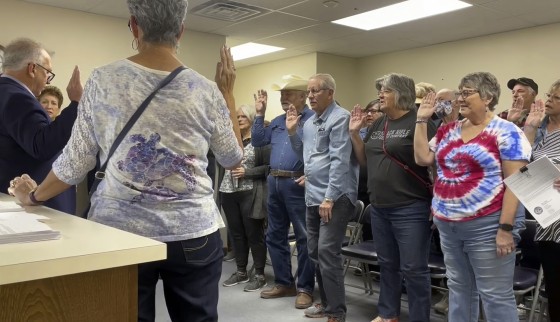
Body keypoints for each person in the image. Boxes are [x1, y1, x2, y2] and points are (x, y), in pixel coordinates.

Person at [8, 0, 244, 321]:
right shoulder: (205, 89)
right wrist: (228, 93)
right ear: (181, 31)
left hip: (121, 234)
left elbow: (75, 164)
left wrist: (33, 196)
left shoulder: (103, 80)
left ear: (134, 26)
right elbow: (232, 158)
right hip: (193, 233)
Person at [413, 72, 532, 322]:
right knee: (459, 288)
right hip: (448, 225)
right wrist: (421, 121)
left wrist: (505, 229)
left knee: (495, 294)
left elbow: (517, 183)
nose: (460, 98)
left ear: (487, 97)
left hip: (487, 226)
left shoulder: (506, 131)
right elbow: (423, 158)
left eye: (467, 93)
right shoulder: (448, 130)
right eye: (460, 93)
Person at [350, 73, 435, 322]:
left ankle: (420, 317)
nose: (380, 95)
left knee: (414, 269)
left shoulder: (420, 122)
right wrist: (355, 135)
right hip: (379, 207)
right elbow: (365, 161)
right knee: (387, 264)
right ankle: (388, 314)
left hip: (411, 207)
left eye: (385, 91)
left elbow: (433, 164)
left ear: (400, 94)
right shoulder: (378, 124)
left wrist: (437, 200)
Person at [288, 73, 358, 322]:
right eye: (308, 91)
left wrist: (329, 197)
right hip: (312, 196)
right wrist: (292, 132)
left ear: (330, 93)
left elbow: (340, 161)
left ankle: (337, 312)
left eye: (316, 91)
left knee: (328, 252)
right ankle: (327, 303)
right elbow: (303, 155)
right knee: (315, 252)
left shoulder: (340, 118)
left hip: (335, 198)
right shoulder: (308, 122)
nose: (310, 95)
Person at [252, 76, 315, 309]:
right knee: (274, 235)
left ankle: (305, 288)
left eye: (288, 94)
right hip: (275, 182)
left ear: (303, 96)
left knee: (304, 238)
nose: (283, 98)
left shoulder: (312, 120)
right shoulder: (278, 120)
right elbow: (258, 141)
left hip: (297, 184)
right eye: (281, 95)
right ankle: (284, 282)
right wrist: (260, 114)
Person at [0, 38, 82, 214]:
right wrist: (76, 104)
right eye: (47, 73)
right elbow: (41, 145)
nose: (47, 81)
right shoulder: (18, 97)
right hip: (31, 203)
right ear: (32, 69)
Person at [521, 80, 560, 322]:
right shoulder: (542, 126)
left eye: (556, 98)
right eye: (549, 95)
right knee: (555, 286)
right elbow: (520, 163)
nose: (549, 100)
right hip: (548, 219)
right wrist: (530, 128)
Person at [220, 104, 270, 292]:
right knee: (236, 234)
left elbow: (268, 168)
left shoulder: (260, 141)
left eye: (243, 117)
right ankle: (241, 271)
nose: (239, 119)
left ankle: (259, 274)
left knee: (254, 234)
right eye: (237, 117)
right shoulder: (231, 140)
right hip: (228, 191)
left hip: (250, 191)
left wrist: (247, 172)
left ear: (251, 119)